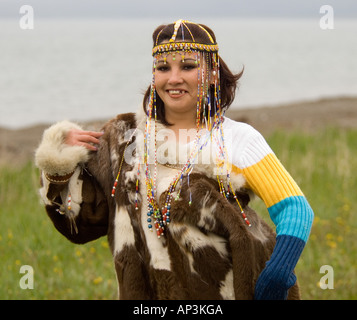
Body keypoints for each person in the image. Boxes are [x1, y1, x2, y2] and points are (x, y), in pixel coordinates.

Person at [35, 19, 314, 300]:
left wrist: (278, 272)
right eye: (163, 68)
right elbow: (81, 224)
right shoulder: (124, 138)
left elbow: (295, 209)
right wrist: (60, 163)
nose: (174, 78)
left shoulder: (238, 138)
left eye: (188, 66)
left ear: (213, 73)